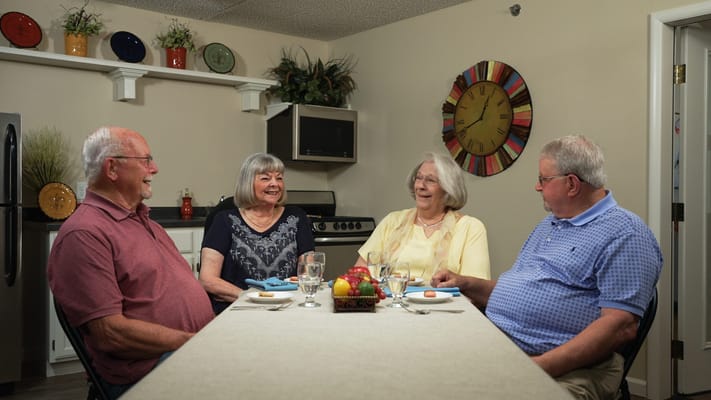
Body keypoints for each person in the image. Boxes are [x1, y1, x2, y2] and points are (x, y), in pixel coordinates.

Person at [431, 135, 662, 400]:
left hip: (568, 368)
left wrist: (533, 368)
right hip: (505, 347)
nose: (537, 187)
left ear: (572, 184)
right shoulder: (551, 224)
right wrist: (466, 282)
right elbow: (524, 289)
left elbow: (619, 326)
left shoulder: (626, 234)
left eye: (543, 179)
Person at [47, 127, 214, 399]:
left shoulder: (145, 222)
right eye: (146, 160)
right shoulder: (85, 234)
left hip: (188, 352)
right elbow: (110, 334)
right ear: (112, 168)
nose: (155, 168)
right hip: (146, 372)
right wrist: (193, 343)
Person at [200, 153, 315, 313]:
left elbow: (308, 272)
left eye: (279, 178)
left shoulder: (296, 217)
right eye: (265, 178)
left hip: (287, 308)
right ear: (248, 183)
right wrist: (252, 297)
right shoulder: (224, 220)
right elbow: (207, 280)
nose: (275, 184)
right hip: (239, 309)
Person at [355, 152, 491, 282]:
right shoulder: (393, 221)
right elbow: (360, 272)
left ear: (448, 189)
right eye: (418, 178)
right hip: (392, 301)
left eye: (430, 180)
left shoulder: (470, 227)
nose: (420, 186)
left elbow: (475, 287)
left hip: (445, 305)